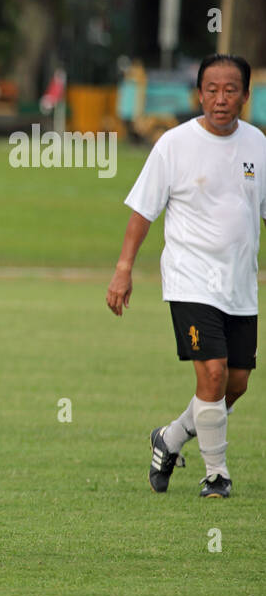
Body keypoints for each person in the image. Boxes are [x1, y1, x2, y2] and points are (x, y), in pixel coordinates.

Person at [107, 53, 266, 498]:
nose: (220, 99)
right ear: (199, 94)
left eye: (230, 90)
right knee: (212, 375)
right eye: (211, 90)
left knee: (236, 384)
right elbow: (143, 211)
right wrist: (124, 269)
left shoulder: (258, 145)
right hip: (190, 279)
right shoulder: (173, 144)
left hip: (240, 285)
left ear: (246, 96)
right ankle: (217, 474)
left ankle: (170, 438)